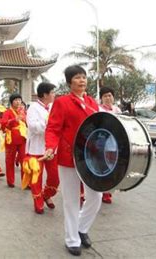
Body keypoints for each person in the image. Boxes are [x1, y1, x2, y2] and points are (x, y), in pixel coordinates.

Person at [45, 65, 101, 256]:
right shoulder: (62, 102)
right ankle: (72, 239)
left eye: (84, 77)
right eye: (77, 77)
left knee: (96, 196)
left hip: (90, 157)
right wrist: (50, 148)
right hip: (68, 157)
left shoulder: (93, 102)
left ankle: (81, 228)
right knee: (71, 200)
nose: (82, 80)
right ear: (70, 82)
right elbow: (53, 128)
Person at [24, 82, 59, 214]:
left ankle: (47, 194)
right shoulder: (33, 108)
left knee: (55, 177)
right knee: (36, 177)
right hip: (36, 148)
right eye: (52, 92)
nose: (54, 95)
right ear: (45, 94)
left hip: (51, 148)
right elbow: (32, 126)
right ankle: (38, 201)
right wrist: (49, 124)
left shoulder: (52, 107)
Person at [98, 86, 120, 204]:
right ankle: (102, 192)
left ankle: (108, 191)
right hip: (102, 144)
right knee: (103, 167)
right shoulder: (98, 110)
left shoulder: (117, 110)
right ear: (101, 98)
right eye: (105, 96)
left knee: (113, 167)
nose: (108, 98)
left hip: (115, 143)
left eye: (110, 95)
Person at [1, 93, 27, 188]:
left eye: (19, 100)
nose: (18, 102)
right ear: (12, 102)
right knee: (10, 160)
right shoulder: (7, 112)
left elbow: (27, 123)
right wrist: (14, 120)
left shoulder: (22, 112)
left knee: (24, 161)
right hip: (11, 139)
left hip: (22, 139)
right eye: (16, 100)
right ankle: (10, 181)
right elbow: (3, 124)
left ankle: (25, 182)